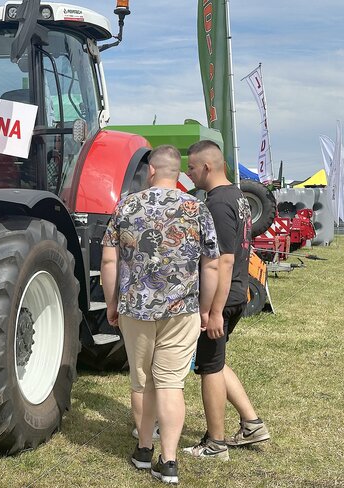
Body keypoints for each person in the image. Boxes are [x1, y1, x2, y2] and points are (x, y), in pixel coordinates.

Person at [101, 145, 220, 484]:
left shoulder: (126, 205)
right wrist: (205, 309)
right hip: (181, 309)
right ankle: (168, 461)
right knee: (170, 383)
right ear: (178, 172)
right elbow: (211, 265)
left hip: (135, 308)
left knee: (142, 382)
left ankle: (143, 449)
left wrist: (111, 302)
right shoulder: (197, 208)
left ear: (151, 171)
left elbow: (109, 260)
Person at [183, 140, 270, 461]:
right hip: (236, 291)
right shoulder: (237, 196)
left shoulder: (217, 204)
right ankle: (251, 423)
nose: (188, 173)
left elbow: (223, 260)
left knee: (209, 368)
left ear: (207, 167)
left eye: (192, 167)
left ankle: (215, 444)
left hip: (224, 295)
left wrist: (213, 311)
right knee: (215, 362)